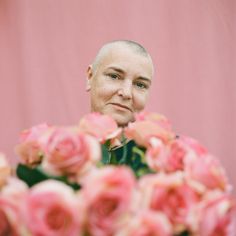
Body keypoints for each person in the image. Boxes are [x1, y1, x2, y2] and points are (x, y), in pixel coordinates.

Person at [86, 40, 154, 127]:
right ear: (90, 77)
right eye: (114, 76)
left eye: (140, 85)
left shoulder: (167, 141)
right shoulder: (67, 140)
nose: (126, 93)